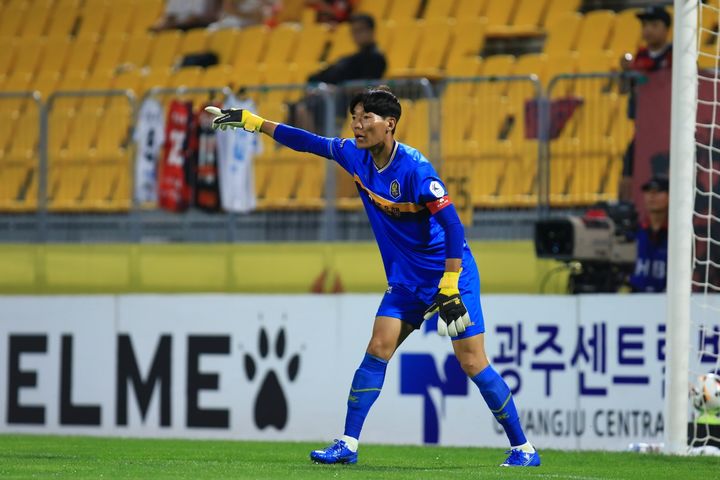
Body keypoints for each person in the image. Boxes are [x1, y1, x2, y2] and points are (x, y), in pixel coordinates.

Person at [205, 87, 540, 467]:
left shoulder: (415, 169)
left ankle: (523, 449)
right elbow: (307, 142)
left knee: (472, 363)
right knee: (378, 347)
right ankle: (347, 443)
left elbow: (453, 227)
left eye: (366, 119)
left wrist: (449, 282)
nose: (358, 126)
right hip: (406, 281)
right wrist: (254, 123)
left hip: (450, 275)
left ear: (389, 124)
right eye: (354, 119)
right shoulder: (354, 156)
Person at [290, 13, 386, 133]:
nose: (357, 35)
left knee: (305, 108)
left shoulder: (376, 58)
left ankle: (313, 146)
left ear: (371, 31)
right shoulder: (348, 59)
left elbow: (367, 86)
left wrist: (336, 89)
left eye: (361, 30)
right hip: (331, 99)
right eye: (354, 31)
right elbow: (316, 77)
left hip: (343, 103)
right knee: (296, 106)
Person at [618, 5, 673, 201]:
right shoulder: (638, 57)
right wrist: (624, 73)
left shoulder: (675, 56)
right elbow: (624, 89)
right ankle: (626, 213)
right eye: (645, 25)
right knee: (627, 170)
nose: (647, 30)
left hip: (667, 131)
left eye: (653, 24)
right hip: (643, 128)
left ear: (666, 28)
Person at [629, 176, 668, 292]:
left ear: (670, 196)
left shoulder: (679, 236)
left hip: (666, 301)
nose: (651, 196)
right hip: (634, 300)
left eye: (658, 191)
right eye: (648, 191)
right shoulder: (634, 231)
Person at [150, 0, 221, 31]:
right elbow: (169, 17)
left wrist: (174, 25)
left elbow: (195, 18)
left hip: (197, 26)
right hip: (178, 26)